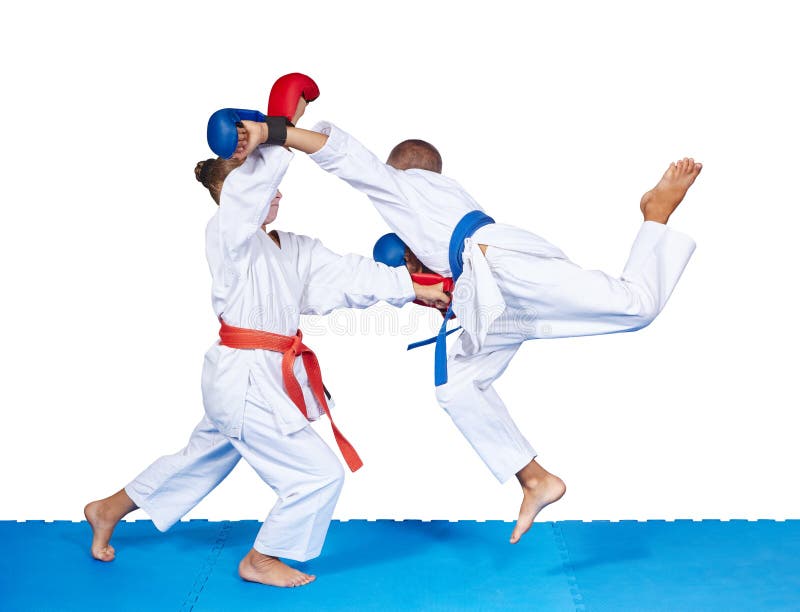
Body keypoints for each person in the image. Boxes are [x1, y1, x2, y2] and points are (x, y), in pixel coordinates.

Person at [232, 118, 701, 545]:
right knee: (457, 385)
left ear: (401, 169)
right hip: (490, 291)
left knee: (635, 306)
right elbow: (446, 262)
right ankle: (535, 479)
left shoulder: (403, 187)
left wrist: (273, 132)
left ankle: (655, 214)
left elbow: (346, 158)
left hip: (507, 271)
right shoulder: (445, 196)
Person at [84, 98, 450, 588]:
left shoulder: (291, 249)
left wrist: (414, 287)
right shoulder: (227, 235)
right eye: (261, 182)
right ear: (235, 192)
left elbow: (348, 276)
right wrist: (280, 129)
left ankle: (107, 508)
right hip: (246, 380)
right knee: (318, 475)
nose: (274, 191)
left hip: (252, 379)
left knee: (201, 458)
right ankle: (262, 557)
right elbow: (249, 193)